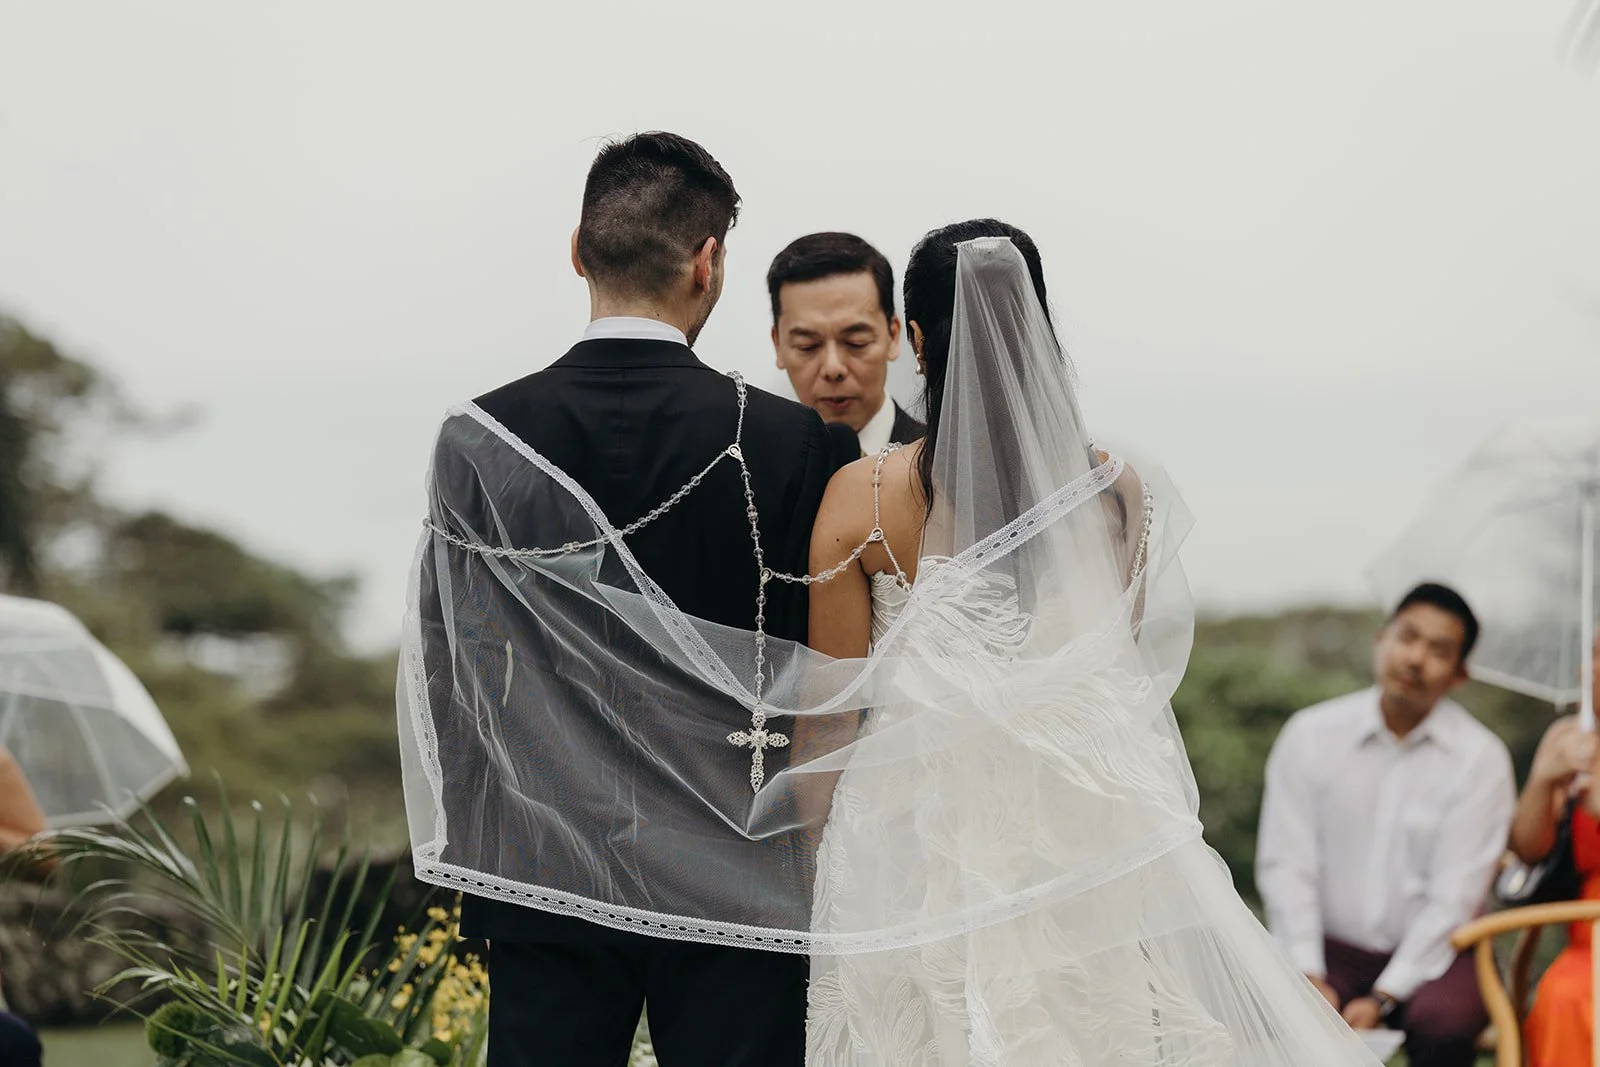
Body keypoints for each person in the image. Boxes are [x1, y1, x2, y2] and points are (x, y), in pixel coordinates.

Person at [406, 131, 833, 1066]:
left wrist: (495, 863)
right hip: (742, 865)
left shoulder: (479, 437)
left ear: (577, 249)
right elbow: (816, 671)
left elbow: (456, 668)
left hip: (544, 862)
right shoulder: (793, 441)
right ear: (708, 260)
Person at [1256, 583, 1516, 1067]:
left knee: (1446, 1022)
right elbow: (1286, 865)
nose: (1416, 658)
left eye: (1438, 650)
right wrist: (1309, 972)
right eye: (1407, 637)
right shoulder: (1310, 737)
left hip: (1440, 954)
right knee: (1261, 1002)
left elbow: (1454, 899)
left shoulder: (1480, 760)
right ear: (1381, 641)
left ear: (1459, 674)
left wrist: (1384, 997)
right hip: (1329, 947)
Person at [1515, 629, 1600, 1066]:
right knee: (1564, 995)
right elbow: (1529, 851)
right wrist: (1546, 778)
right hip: (1588, 934)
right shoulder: (1570, 738)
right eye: (1596, 655)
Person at [767, 232, 924, 469]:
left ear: (893, 337)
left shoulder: (942, 464)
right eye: (807, 346)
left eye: (856, 342)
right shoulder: (755, 471)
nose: (833, 368)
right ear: (778, 345)